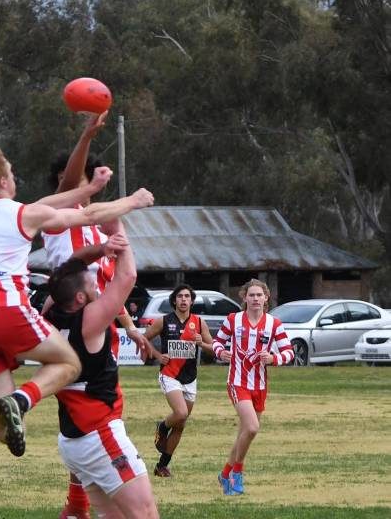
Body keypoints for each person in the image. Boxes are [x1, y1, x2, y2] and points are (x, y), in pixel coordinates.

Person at [0, 145, 154, 459]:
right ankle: (22, 399)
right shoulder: (22, 214)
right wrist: (133, 201)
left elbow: (48, 204)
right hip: (8, 313)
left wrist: (90, 188)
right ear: (3, 181)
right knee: (70, 364)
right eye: (11, 173)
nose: (14, 177)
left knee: (8, 430)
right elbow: (88, 215)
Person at [43, 113, 151, 519]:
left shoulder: (95, 228)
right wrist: (87, 136)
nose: (74, 186)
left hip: (92, 322)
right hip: (77, 320)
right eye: (68, 181)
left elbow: (108, 289)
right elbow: (73, 188)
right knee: (93, 410)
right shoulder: (56, 218)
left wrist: (131, 327)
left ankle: (78, 501)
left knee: (88, 404)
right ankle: (79, 500)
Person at [46, 219, 159, 519]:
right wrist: (117, 227)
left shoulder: (49, 313)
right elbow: (128, 276)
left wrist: (97, 249)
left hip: (74, 438)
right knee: (146, 514)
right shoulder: (89, 321)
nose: (96, 283)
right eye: (90, 283)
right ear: (80, 298)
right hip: (99, 433)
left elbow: (69, 267)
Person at [212, 279, 294, 495]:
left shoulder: (274, 323)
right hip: (237, 382)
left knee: (245, 433)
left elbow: (289, 352)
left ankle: (225, 474)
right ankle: (237, 473)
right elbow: (216, 342)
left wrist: (274, 359)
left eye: (259, 295)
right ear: (244, 297)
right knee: (252, 428)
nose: (256, 299)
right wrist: (221, 352)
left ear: (266, 298)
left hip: (260, 385)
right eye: (252, 295)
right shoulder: (233, 319)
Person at [142, 284, 213, 477]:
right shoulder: (164, 321)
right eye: (180, 296)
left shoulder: (199, 322)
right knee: (180, 413)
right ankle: (162, 426)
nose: (183, 299)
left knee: (181, 424)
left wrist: (201, 343)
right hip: (169, 374)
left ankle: (161, 466)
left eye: (187, 296)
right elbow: (143, 339)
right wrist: (157, 355)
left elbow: (213, 348)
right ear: (174, 300)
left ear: (192, 301)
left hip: (190, 377)